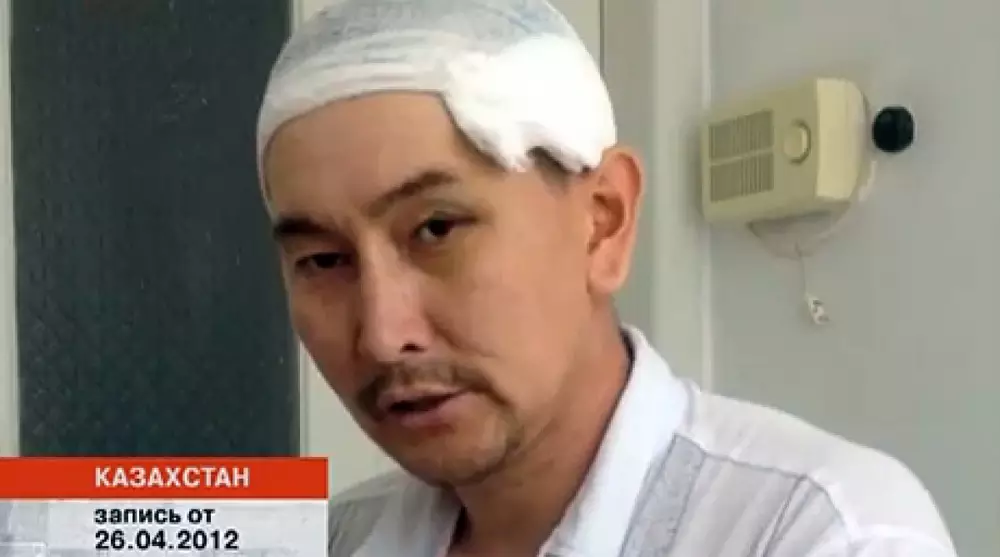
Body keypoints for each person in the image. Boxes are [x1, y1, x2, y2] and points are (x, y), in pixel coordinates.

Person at [254, 1, 957, 555]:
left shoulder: (819, 531)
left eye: (436, 228)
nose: (382, 335)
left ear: (603, 222)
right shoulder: (334, 537)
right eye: (323, 260)